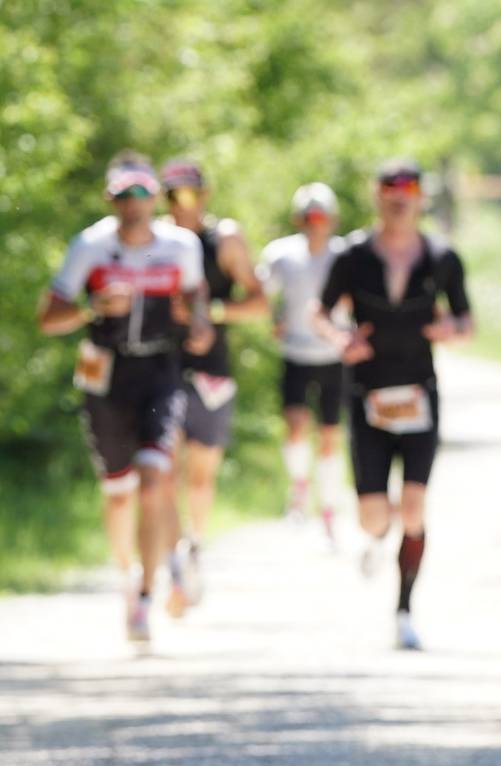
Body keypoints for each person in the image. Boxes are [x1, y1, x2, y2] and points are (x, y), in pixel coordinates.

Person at [38, 152, 212, 643]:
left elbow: (197, 301)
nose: (133, 205)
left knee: (157, 479)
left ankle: (145, 594)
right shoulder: (90, 246)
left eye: (142, 195)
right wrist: (92, 307)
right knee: (118, 494)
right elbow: (48, 318)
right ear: (109, 200)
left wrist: (198, 325)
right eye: (123, 196)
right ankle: (126, 577)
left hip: (160, 369)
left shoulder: (181, 247)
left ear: (156, 198)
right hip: (105, 373)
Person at [317, 157, 472, 650]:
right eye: (390, 186)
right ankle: (375, 538)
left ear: (421, 196)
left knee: (414, 507)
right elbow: (318, 311)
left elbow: (467, 322)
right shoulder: (353, 256)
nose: (400, 195)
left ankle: (403, 609)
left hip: (419, 393)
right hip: (368, 395)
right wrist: (341, 338)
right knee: (374, 517)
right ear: (377, 194)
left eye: (409, 186)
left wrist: (451, 331)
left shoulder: (442, 257)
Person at [158, 158, 267, 614]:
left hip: (211, 371)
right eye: (171, 195)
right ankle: (172, 564)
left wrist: (213, 315)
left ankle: (194, 545)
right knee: (164, 469)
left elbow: (258, 303)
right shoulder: (155, 241)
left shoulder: (224, 240)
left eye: (188, 194)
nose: (180, 204)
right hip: (162, 369)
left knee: (200, 475)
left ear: (205, 195)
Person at [258, 183, 350, 540]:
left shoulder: (344, 255)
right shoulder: (281, 254)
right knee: (296, 426)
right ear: (299, 219)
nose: (316, 223)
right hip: (296, 352)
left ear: (332, 219)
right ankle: (299, 485)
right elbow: (261, 293)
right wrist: (274, 318)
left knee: (330, 435)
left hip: (332, 355)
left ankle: (328, 504)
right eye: (309, 217)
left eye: (322, 217)